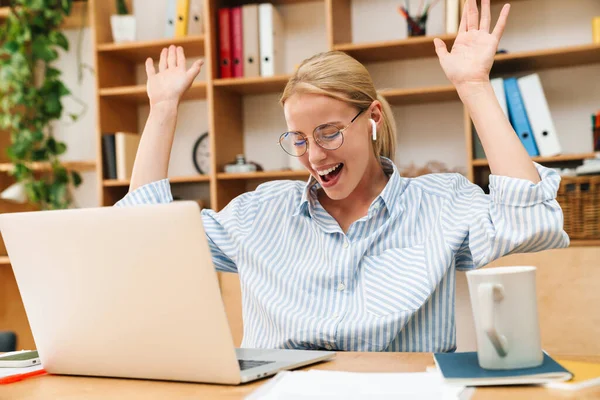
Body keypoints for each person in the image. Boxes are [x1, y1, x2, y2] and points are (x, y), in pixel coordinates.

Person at [115, 0, 569, 352]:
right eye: (298, 139)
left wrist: (474, 87)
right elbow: (143, 237)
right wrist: (162, 112)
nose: (313, 155)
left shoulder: (441, 202)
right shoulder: (259, 213)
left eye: (328, 133)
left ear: (371, 118)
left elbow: (532, 223)